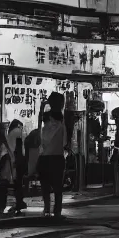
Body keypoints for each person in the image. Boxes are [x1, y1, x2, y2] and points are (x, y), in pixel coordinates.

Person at [38, 92, 70, 220]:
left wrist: (43, 105)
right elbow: (65, 142)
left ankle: (46, 209)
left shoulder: (46, 120)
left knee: (45, 187)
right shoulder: (63, 121)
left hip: (45, 157)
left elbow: (40, 120)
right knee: (58, 188)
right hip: (57, 157)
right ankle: (57, 212)